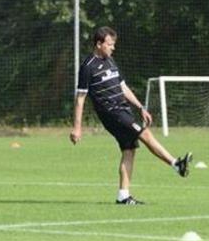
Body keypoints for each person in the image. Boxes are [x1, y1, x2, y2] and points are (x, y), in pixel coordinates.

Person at [70, 26, 193, 205]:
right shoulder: (87, 67)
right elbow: (80, 98)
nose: (113, 48)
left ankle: (123, 196)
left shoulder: (111, 61)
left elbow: (123, 87)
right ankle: (176, 164)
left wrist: (140, 106)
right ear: (99, 44)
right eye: (110, 44)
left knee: (129, 150)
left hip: (123, 110)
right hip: (112, 114)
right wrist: (77, 128)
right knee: (145, 133)